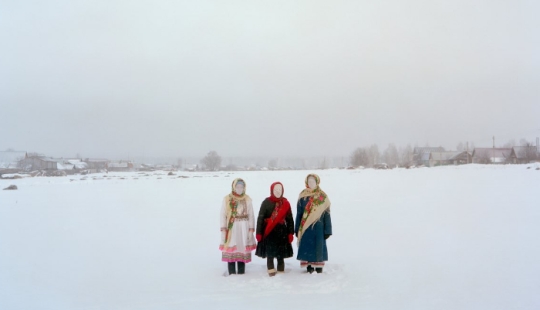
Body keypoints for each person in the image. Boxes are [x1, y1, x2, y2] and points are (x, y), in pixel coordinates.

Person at [295, 174, 332, 274]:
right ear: (306, 183)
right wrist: (296, 228)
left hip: (319, 227)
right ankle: (309, 265)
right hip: (306, 227)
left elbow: (327, 215)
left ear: (317, 182)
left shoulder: (323, 197)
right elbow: (299, 214)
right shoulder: (303, 196)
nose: (311, 183)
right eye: (309, 181)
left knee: (318, 246)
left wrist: (328, 230)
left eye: (313, 181)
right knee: (307, 246)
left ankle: (319, 265)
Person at [255, 182, 294, 277]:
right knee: (270, 253)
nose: (278, 192)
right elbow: (260, 218)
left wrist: (290, 233)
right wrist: (259, 232)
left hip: (282, 232)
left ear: (283, 191)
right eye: (275, 190)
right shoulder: (266, 202)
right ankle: (271, 270)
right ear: (271, 191)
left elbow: (290, 219)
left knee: (281, 253)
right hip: (269, 231)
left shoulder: (285, 204)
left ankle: (281, 270)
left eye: (280, 190)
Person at [219, 178, 256, 275]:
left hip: (244, 227)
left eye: (241, 187)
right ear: (233, 187)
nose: (239, 189)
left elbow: (251, 215)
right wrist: (223, 228)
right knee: (232, 246)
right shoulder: (227, 199)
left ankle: (241, 271)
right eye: (237, 187)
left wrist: (251, 230)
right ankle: (231, 272)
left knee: (242, 248)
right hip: (232, 228)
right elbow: (223, 214)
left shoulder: (247, 199)